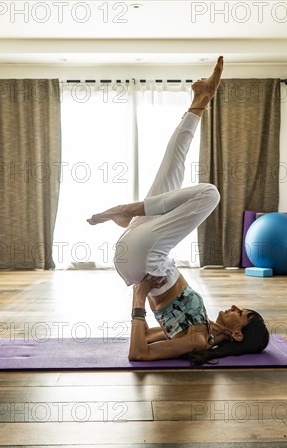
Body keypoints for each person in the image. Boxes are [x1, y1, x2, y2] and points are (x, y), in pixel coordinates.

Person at [88, 56, 269, 365]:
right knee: (173, 166)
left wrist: (138, 297)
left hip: (147, 261)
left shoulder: (199, 339)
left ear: (238, 334)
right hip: (144, 252)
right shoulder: (204, 330)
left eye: (242, 315)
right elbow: (146, 337)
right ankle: (200, 102)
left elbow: (138, 352)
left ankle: (126, 209)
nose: (237, 307)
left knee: (210, 193)